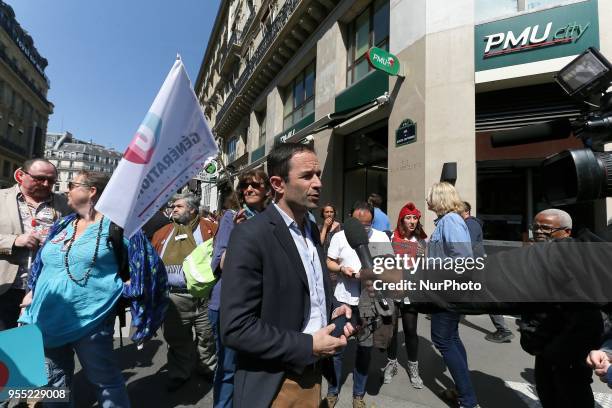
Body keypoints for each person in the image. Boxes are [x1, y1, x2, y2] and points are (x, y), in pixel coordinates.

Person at [220, 143, 355, 408]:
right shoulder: (251, 235)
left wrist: (333, 309)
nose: (318, 183)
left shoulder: (313, 230)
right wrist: (306, 346)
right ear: (278, 184)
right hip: (276, 384)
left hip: (314, 375)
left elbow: (310, 290)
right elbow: (235, 328)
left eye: (318, 175)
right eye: (307, 176)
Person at [19, 171, 134, 407]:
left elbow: (145, 269)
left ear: (91, 191)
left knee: (106, 383)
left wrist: (124, 290)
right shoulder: (64, 223)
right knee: (53, 383)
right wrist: (33, 291)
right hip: (47, 319)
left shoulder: (117, 227)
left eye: (72, 184)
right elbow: (45, 264)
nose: (65, 189)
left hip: (90, 321)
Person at [518, 208, 602, 408]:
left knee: (573, 394)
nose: (538, 232)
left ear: (566, 232)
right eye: (535, 227)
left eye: (546, 228)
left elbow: (585, 314)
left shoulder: (577, 260)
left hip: (569, 350)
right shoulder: (538, 255)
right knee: (548, 392)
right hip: (544, 346)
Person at [209, 169, 270, 408]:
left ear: (268, 189)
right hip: (227, 305)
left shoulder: (270, 218)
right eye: (245, 186)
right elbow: (220, 263)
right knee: (228, 367)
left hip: (258, 305)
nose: (249, 190)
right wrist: (239, 233)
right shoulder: (232, 218)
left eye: (255, 185)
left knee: (253, 368)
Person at [324, 201, 392, 408]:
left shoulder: (381, 238)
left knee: (364, 349)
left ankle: (358, 395)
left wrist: (371, 274)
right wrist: (342, 269)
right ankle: (333, 390)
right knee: (336, 348)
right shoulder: (339, 236)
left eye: (368, 223)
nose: (363, 227)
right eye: (358, 223)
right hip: (342, 298)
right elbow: (329, 261)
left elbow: (391, 268)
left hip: (369, 303)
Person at [151, 192, 218, 391]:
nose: (174, 209)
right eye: (173, 206)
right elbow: (153, 259)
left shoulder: (211, 229)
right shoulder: (163, 232)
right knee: (178, 339)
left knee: (207, 336)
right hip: (175, 296)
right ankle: (180, 373)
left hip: (205, 296)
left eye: (179, 206)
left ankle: (207, 369)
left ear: (192, 209)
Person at [0, 159, 70, 333]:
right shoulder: (1, 199)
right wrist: (14, 241)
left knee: (35, 348)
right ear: (21, 175)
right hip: (6, 288)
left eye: (51, 180)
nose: (46, 184)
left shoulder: (66, 206)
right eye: (39, 178)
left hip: (46, 290)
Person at [426, 182, 479, 408]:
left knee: (442, 340)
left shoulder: (450, 221)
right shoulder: (447, 221)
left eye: (430, 197)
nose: (427, 200)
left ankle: (468, 400)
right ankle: (461, 390)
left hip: (447, 291)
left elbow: (463, 260)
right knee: (452, 338)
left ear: (439, 199)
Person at [383, 202, 425, 388]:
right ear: (402, 220)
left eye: (415, 218)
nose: (412, 221)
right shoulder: (390, 237)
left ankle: (413, 368)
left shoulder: (422, 241)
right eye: (408, 218)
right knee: (391, 331)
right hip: (391, 291)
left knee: (410, 331)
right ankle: (391, 364)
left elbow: (423, 269)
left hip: (410, 292)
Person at [461, 201, 514, 343]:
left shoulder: (469, 224)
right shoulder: (471, 223)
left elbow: (467, 246)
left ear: (464, 211)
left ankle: (504, 330)